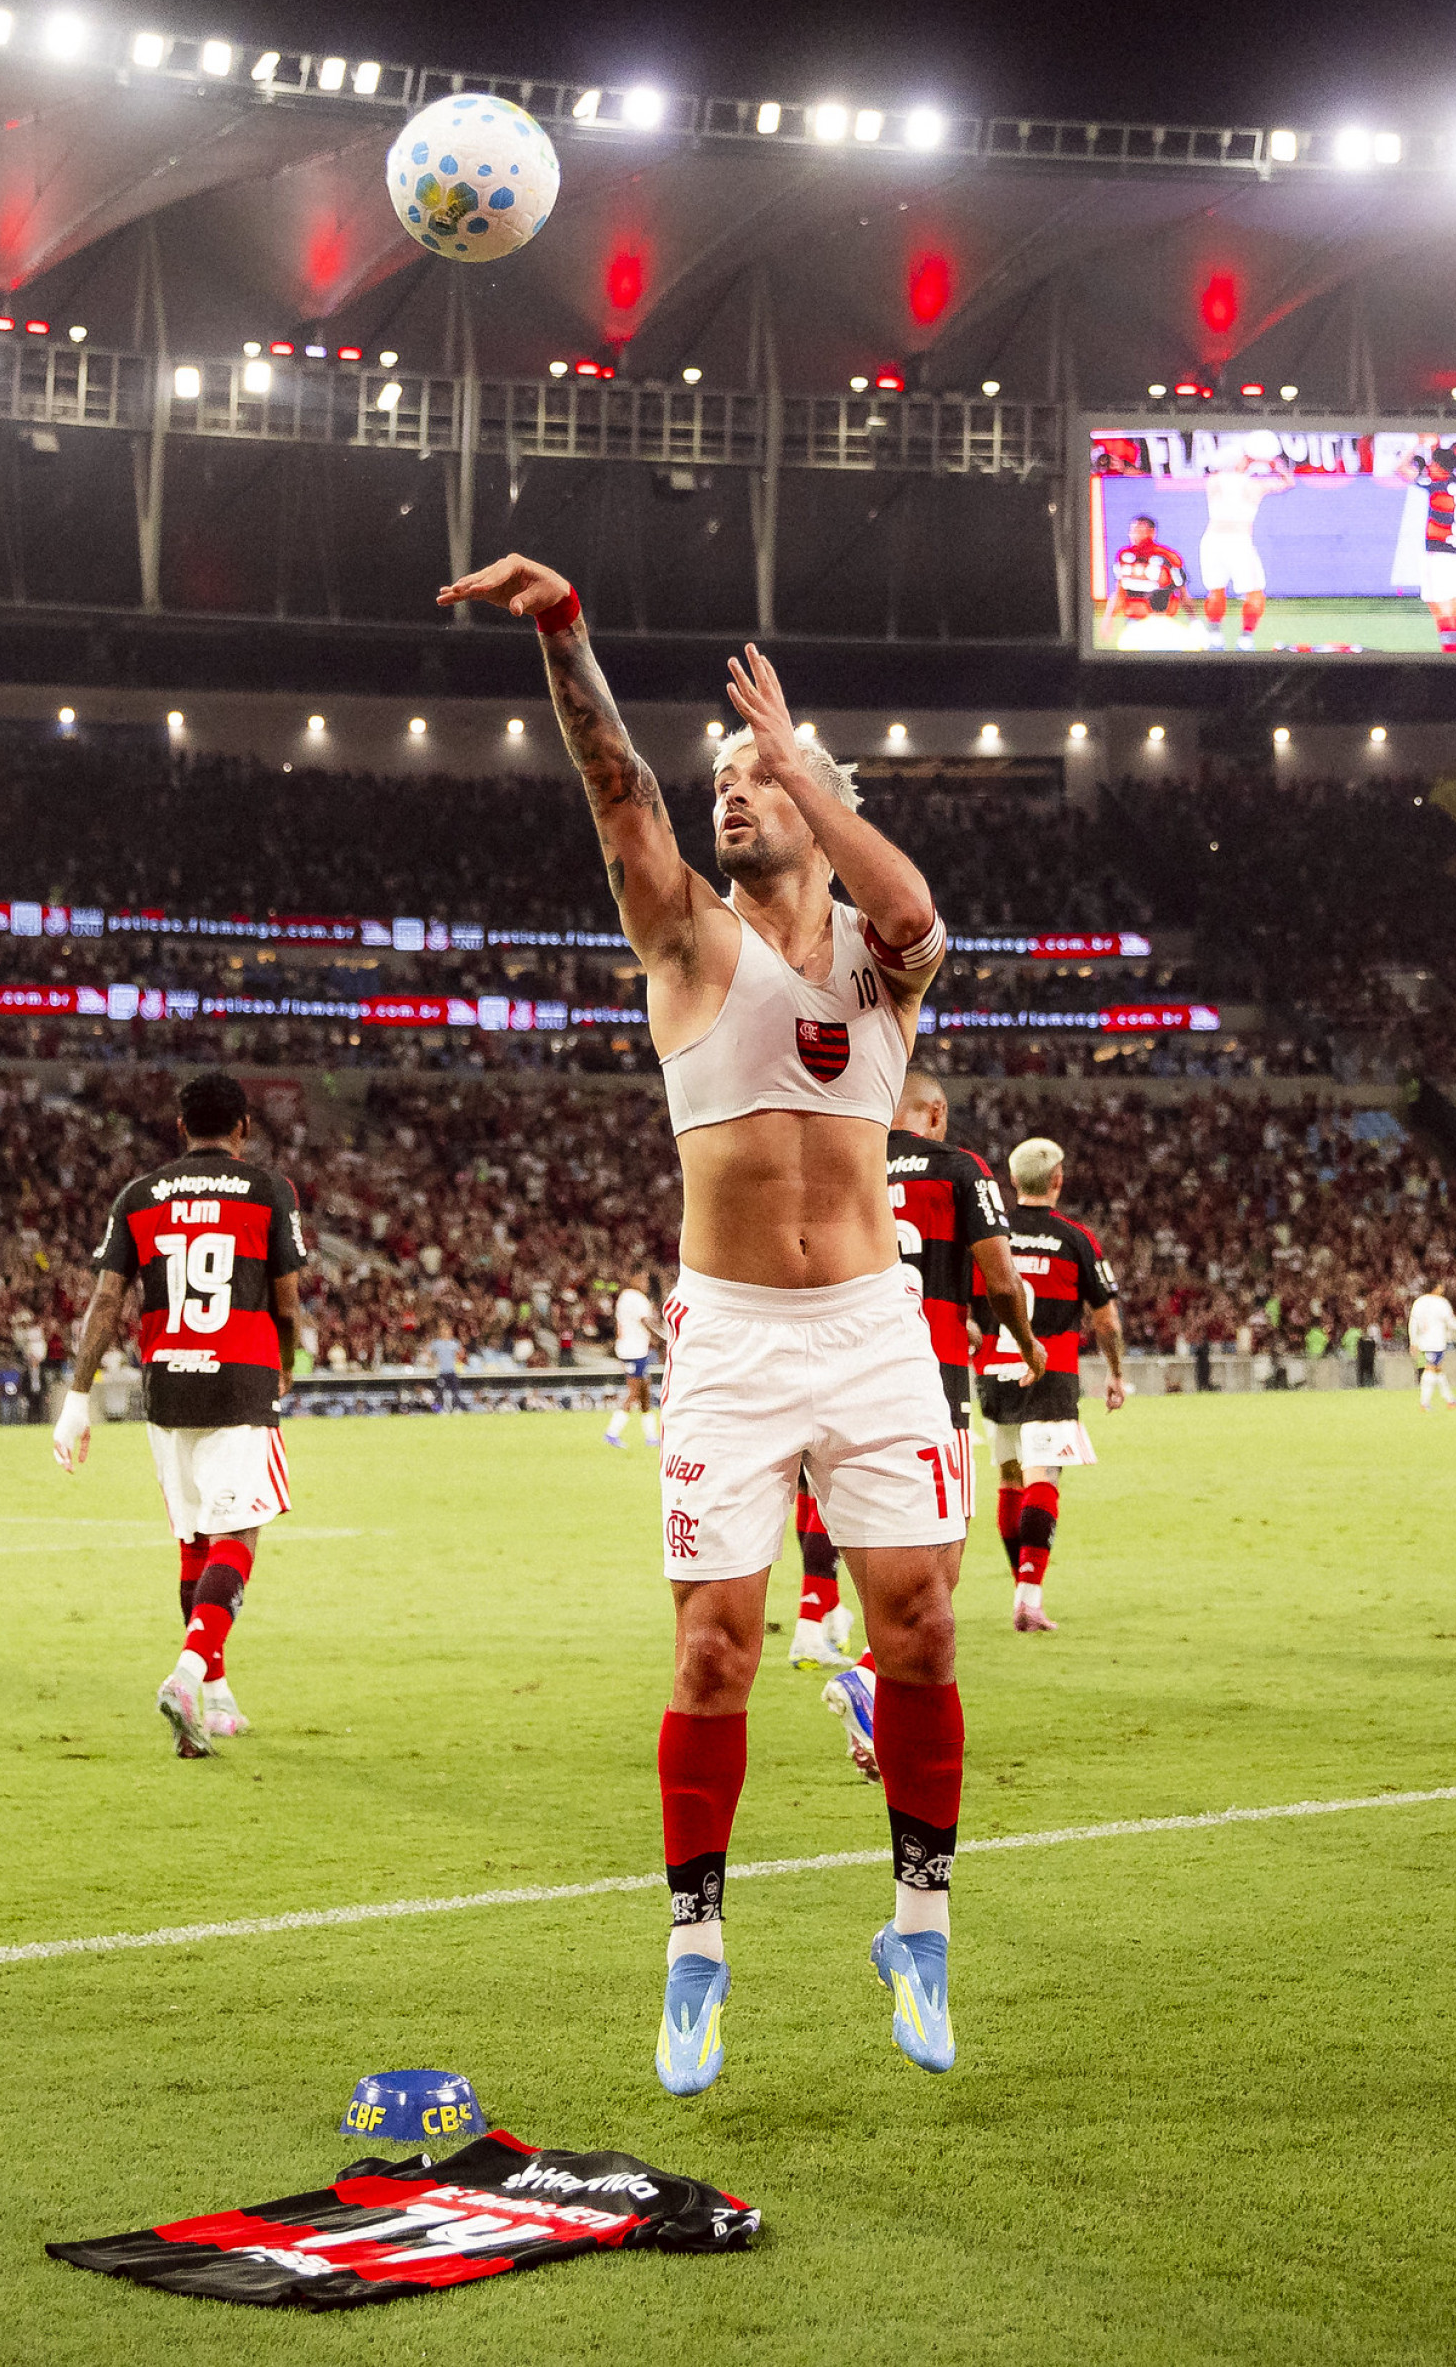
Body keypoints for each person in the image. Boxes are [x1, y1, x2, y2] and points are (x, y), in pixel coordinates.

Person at [438, 549, 967, 2088]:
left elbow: (913, 903)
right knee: (717, 1650)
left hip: (873, 1327)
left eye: (757, 780)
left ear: (815, 795)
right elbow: (616, 792)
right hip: (731, 1334)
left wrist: (800, 761)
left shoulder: (880, 960)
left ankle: (919, 1929)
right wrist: (564, 634)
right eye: (723, 781)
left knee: (922, 1630)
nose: (730, 795)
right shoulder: (684, 935)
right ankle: (695, 1953)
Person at [53, 1072, 303, 1757]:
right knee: (237, 1534)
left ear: (179, 1126)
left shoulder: (140, 1195)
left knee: (194, 1537)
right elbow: (286, 1303)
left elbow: (107, 1303)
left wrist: (77, 1397)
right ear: (244, 1126)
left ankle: (214, 1699)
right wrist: (287, 1365)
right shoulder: (269, 1190)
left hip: (167, 1382)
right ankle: (189, 1674)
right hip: (242, 1378)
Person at [817, 1066, 1044, 1750]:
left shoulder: (843, 1162)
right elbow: (1001, 1278)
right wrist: (1025, 1341)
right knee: (941, 1559)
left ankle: (875, 1710)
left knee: (880, 1551)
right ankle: (868, 1675)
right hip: (929, 1384)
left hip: (843, 1380)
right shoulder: (958, 1168)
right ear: (936, 1112)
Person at [972, 1137, 1125, 1632]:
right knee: (1044, 1478)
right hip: (1051, 1372)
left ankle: (1020, 1584)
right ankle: (1029, 1596)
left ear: (1014, 1181)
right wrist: (1115, 1373)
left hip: (994, 1371)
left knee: (1010, 1479)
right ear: (1058, 1179)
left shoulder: (989, 1234)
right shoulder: (1076, 1239)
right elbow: (1106, 1322)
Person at [1199, 433, 1293, 649]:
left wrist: (1249, 458)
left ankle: (1215, 636)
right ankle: (1245, 639)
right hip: (1238, 542)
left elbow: (1224, 471)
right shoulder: (1255, 485)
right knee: (1255, 592)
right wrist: (1272, 462)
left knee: (1216, 590)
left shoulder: (1213, 481)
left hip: (1211, 541)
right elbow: (1289, 482)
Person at [1411, 442, 1456, 656]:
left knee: (1439, 605)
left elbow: (1402, 471)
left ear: (1440, 467)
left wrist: (1416, 444)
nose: (1430, 467)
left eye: (1433, 464)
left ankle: (1450, 655)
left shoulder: (1437, 486)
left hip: (1440, 551)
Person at [1102, 513, 1194, 648]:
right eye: (1132, 531)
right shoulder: (1124, 556)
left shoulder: (1168, 557)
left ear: (1152, 532)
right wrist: (1108, 617)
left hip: (1161, 621)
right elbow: (1119, 590)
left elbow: (1183, 592)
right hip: (1133, 620)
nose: (1134, 535)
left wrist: (1193, 620)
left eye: (1140, 531)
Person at [604, 1271, 664, 1450]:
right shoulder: (636, 1298)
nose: (646, 1282)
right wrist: (663, 1337)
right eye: (642, 1278)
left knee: (644, 1391)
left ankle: (651, 1437)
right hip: (633, 1351)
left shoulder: (626, 1296)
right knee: (635, 1392)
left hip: (635, 1349)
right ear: (633, 1278)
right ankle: (612, 1433)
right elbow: (646, 1321)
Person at [1407, 1282, 1456, 1410]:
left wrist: (1413, 1341)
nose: (1442, 1289)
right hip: (1435, 1342)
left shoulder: (1419, 1302)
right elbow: (1450, 1320)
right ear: (1435, 1288)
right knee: (1430, 1370)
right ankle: (1424, 1403)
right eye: (1440, 1286)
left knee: (1437, 1369)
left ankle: (1450, 1400)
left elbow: (1412, 1323)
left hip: (1424, 1341)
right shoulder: (1441, 1302)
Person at [429, 1323, 463, 1413]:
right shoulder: (436, 1343)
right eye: (443, 1331)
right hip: (441, 1372)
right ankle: (439, 1410)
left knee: (455, 1391)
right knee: (440, 1392)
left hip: (452, 1371)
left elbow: (460, 1355)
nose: (445, 1332)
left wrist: (459, 1363)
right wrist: (432, 1362)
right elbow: (430, 1355)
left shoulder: (455, 1343)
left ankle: (456, 1408)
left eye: (447, 1330)